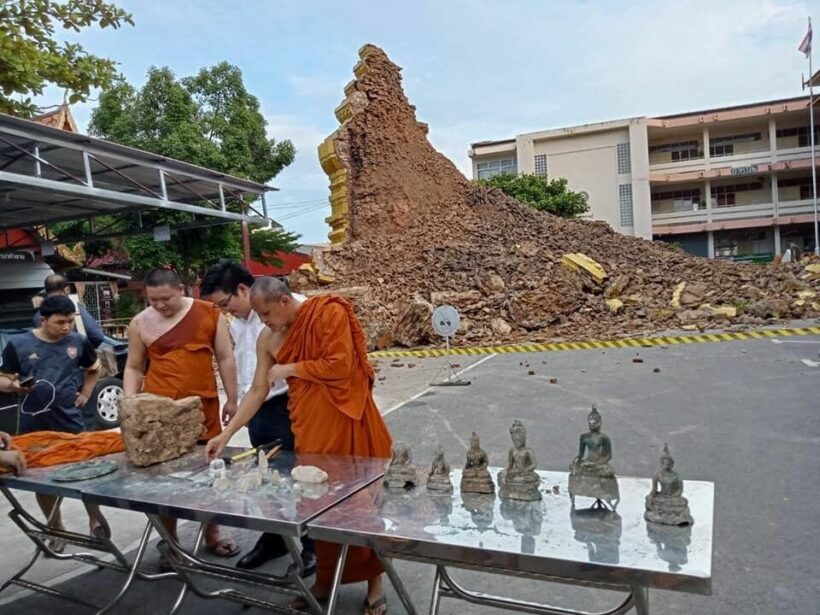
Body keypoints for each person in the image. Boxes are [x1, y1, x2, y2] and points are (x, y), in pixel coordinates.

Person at [205, 277, 393, 615]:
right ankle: (324, 580)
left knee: (361, 509)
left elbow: (341, 365)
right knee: (318, 510)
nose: (264, 322)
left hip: (349, 422)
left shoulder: (327, 313)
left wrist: (290, 368)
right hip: (310, 431)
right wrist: (226, 433)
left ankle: (374, 582)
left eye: (266, 314)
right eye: (260, 316)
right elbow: (258, 391)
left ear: (285, 301)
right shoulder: (267, 339)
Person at [200, 261, 315, 573]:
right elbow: (257, 382)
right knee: (268, 478)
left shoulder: (298, 311)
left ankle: (313, 545)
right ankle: (275, 538)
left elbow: (329, 363)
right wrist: (228, 430)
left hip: (292, 405)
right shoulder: (240, 322)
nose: (227, 312)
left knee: (303, 478)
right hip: (258, 408)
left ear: (242, 289)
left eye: (226, 304)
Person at [123, 267, 240, 568]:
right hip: (159, 414)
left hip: (204, 409)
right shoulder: (139, 323)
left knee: (208, 472)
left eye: (166, 298)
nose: (160, 305)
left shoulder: (209, 313)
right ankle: (171, 539)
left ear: (182, 290)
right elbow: (134, 368)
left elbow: (225, 357)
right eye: (152, 300)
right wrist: (130, 405)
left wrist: (233, 398)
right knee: (165, 481)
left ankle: (212, 532)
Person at [0, 295, 107, 545]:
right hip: (33, 427)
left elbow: (94, 368)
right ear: (43, 319)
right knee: (42, 481)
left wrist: (86, 393)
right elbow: (2, 377)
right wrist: (13, 386)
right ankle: (56, 527)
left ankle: (95, 518)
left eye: (70, 321)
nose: (67, 327)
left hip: (71, 422)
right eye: (60, 322)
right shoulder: (19, 345)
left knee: (88, 474)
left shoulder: (79, 342)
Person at [33, 274, 105, 348]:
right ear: (66, 290)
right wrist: (84, 352)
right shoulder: (76, 310)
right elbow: (97, 336)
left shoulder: (38, 315)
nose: (66, 327)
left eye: (70, 321)